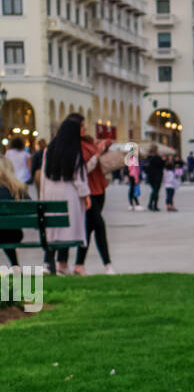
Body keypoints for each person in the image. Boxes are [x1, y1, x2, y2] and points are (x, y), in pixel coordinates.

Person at [40, 116, 90, 274]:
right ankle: (63, 264)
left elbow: (43, 174)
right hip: (68, 192)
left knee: (53, 228)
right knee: (66, 228)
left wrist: (42, 196)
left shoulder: (49, 149)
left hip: (50, 191)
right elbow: (78, 178)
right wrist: (86, 195)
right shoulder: (73, 149)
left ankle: (48, 262)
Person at [70, 116, 114, 275]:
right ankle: (108, 265)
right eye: (82, 127)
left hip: (98, 188)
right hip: (87, 191)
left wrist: (104, 147)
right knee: (99, 226)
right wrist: (97, 153)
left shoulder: (88, 142)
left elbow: (97, 155)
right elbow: (83, 169)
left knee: (89, 228)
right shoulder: (75, 147)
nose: (85, 129)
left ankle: (79, 265)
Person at [0, 154, 31, 266]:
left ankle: (15, 265)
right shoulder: (19, 188)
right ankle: (15, 265)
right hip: (15, 234)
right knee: (6, 232)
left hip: (3, 233)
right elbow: (31, 209)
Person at [143, 144, 164, 210]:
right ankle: (154, 206)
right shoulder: (158, 158)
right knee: (156, 191)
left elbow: (144, 167)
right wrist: (163, 159)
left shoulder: (148, 158)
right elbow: (162, 165)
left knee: (154, 191)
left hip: (150, 177)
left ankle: (150, 204)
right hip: (157, 176)